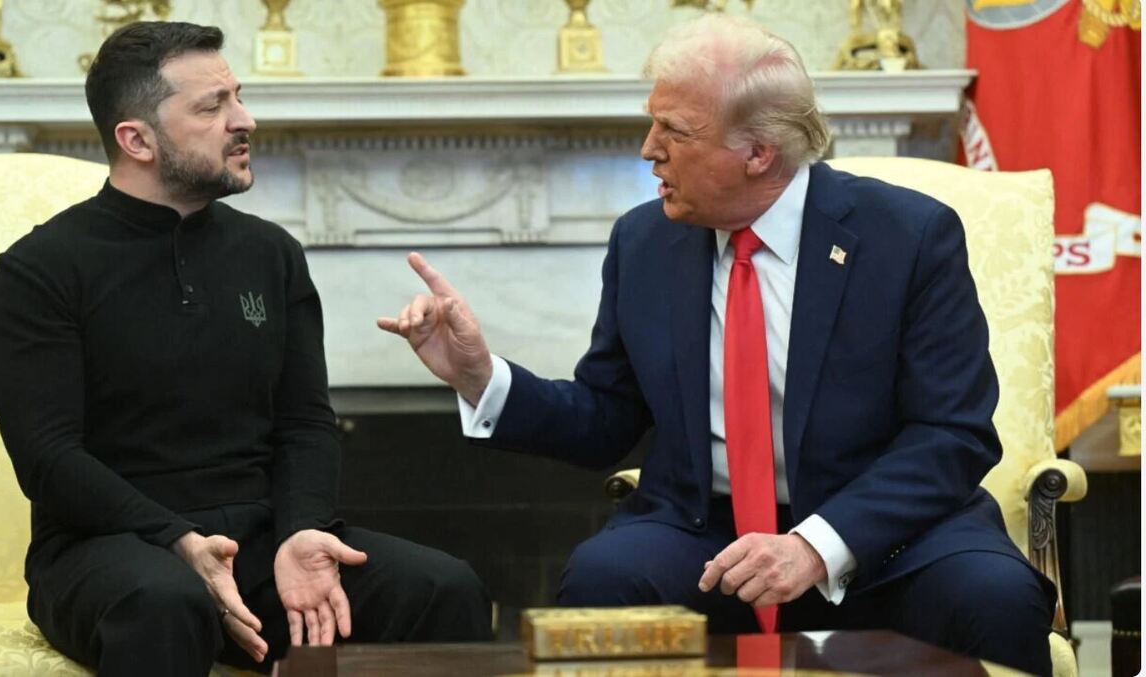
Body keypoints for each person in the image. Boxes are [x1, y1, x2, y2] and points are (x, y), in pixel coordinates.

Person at [379, 14, 1053, 676]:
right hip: (706, 531)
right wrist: (479, 377)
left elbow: (952, 434)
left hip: (887, 536)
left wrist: (815, 546)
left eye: (673, 131)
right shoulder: (645, 241)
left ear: (758, 153)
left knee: (995, 597)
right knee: (603, 577)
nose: (648, 149)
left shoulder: (909, 236)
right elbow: (606, 415)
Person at [0, 21, 491, 676]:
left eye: (238, 97)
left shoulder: (271, 254)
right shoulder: (40, 268)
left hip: (261, 542)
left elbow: (305, 423)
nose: (244, 120)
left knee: (443, 587)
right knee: (165, 601)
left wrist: (303, 530)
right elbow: (50, 459)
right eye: (212, 107)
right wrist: (178, 540)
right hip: (108, 547)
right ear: (136, 140)